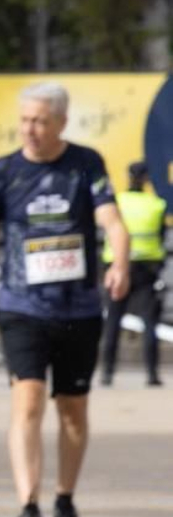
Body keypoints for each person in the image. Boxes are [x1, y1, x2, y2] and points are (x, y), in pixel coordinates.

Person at [0, 82, 132, 517]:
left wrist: (120, 262)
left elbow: (112, 222)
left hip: (78, 309)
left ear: (61, 121)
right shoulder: (3, 172)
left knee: (73, 410)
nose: (31, 130)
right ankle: (28, 507)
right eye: (24, 120)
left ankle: (64, 500)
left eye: (40, 121)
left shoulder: (85, 164)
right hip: (22, 308)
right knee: (29, 401)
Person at [100, 160, 167, 387]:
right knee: (150, 324)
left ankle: (107, 373)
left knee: (113, 322)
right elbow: (160, 237)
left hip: (118, 267)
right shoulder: (155, 204)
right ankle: (151, 374)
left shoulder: (116, 202)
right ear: (146, 179)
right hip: (147, 270)